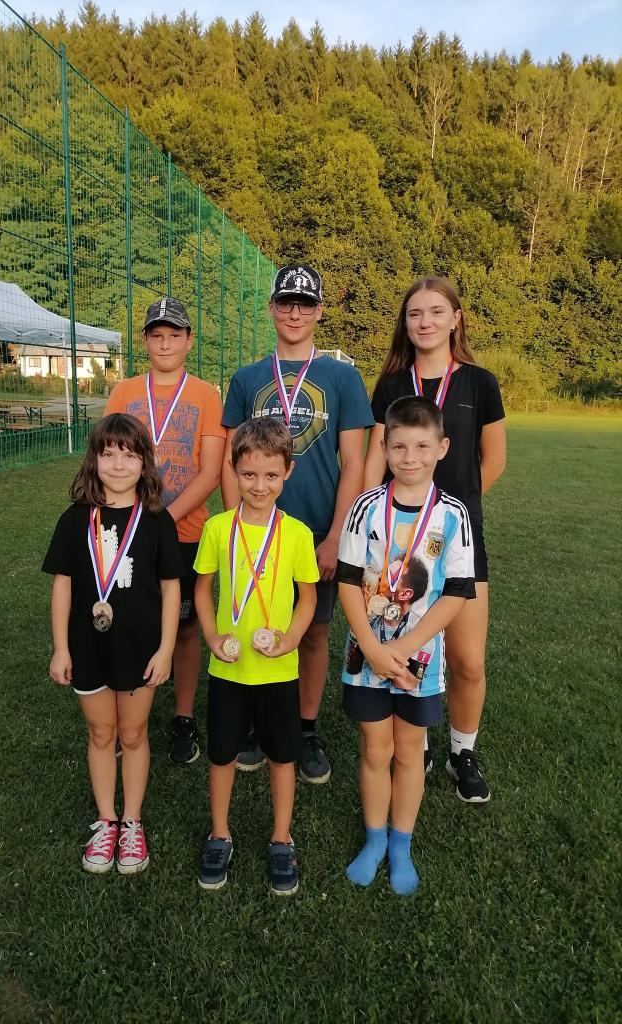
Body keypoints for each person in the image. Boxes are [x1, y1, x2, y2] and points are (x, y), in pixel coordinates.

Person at [221, 264, 373, 783]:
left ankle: (304, 729)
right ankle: (252, 724)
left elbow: (353, 462)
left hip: (314, 533)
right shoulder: (246, 379)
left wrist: (336, 536)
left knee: (312, 632)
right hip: (255, 530)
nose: (294, 313)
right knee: (248, 620)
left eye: (305, 304)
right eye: (286, 302)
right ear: (271, 308)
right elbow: (230, 460)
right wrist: (233, 529)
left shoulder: (342, 377)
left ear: (319, 312)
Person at [363, 277, 506, 802]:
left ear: (455, 319)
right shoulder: (390, 385)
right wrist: (368, 521)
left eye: (436, 312)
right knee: (402, 644)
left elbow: (494, 460)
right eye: (415, 314)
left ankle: (462, 751)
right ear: (405, 324)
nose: (425, 322)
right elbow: (375, 462)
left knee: (468, 659)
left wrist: (446, 517)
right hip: (397, 542)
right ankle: (415, 742)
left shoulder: (480, 383)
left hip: (458, 540)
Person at [338, 396, 476, 894]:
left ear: (442, 448)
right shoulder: (365, 508)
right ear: (384, 448)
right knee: (375, 748)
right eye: (399, 446)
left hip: (421, 659)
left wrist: (409, 644)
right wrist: (373, 648)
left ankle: (401, 844)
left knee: (409, 750)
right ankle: (375, 839)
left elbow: (457, 591)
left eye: (421, 446)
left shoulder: (453, 515)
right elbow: (348, 580)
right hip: (367, 655)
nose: (410, 457)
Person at [43, 414, 182, 874]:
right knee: (101, 733)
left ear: (145, 463)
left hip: (140, 649)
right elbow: (63, 586)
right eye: (108, 454)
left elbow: (171, 589)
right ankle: (106, 822)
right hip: (88, 647)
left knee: (134, 734)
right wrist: (61, 648)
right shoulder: (75, 520)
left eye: (129, 454)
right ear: (94, 460)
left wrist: (165, 649)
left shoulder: (158, 521)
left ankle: (132, 822)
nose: (118, 464)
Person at [194, 418, 319, 894]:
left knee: (282, 757)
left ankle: (281, 838)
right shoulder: (217, 529)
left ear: (288, 472)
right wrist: (211, 637)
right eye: (248, 474)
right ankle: (219, 834)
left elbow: (308, 599)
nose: (259, 485)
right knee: (222, 754)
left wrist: (290, 640)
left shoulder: (298, 534)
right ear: (233, 470)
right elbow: (201, 590)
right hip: (228, 667)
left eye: (271, 475)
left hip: (278, 670)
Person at [105, 298, 226, 766]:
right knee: (128, 618)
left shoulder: (205, 395)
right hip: (127, 530)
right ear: (145, 341)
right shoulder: (124, 392)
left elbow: (210, 472)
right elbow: (106, 457)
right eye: (157, 335)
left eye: (175, 335)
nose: (165, 344)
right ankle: (125, 716)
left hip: (183, 530)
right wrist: (135, 522)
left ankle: (183, 716)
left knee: (186, 625)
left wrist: (163, 520)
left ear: (189, 341)